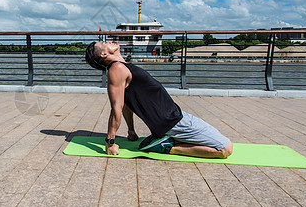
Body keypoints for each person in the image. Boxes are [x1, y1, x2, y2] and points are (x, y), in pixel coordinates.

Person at [85, 41, 233, 159]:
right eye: (104, 43)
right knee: (224, 149)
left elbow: (126, 104)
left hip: (176, 116)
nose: (110, 41)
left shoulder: (123, 67)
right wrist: (110, 142)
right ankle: (166, 147)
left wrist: (131, 130)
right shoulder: (116, 69)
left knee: (218, 135)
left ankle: (162, 139)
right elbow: (116, 107)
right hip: (172, 122)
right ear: (104, 54)